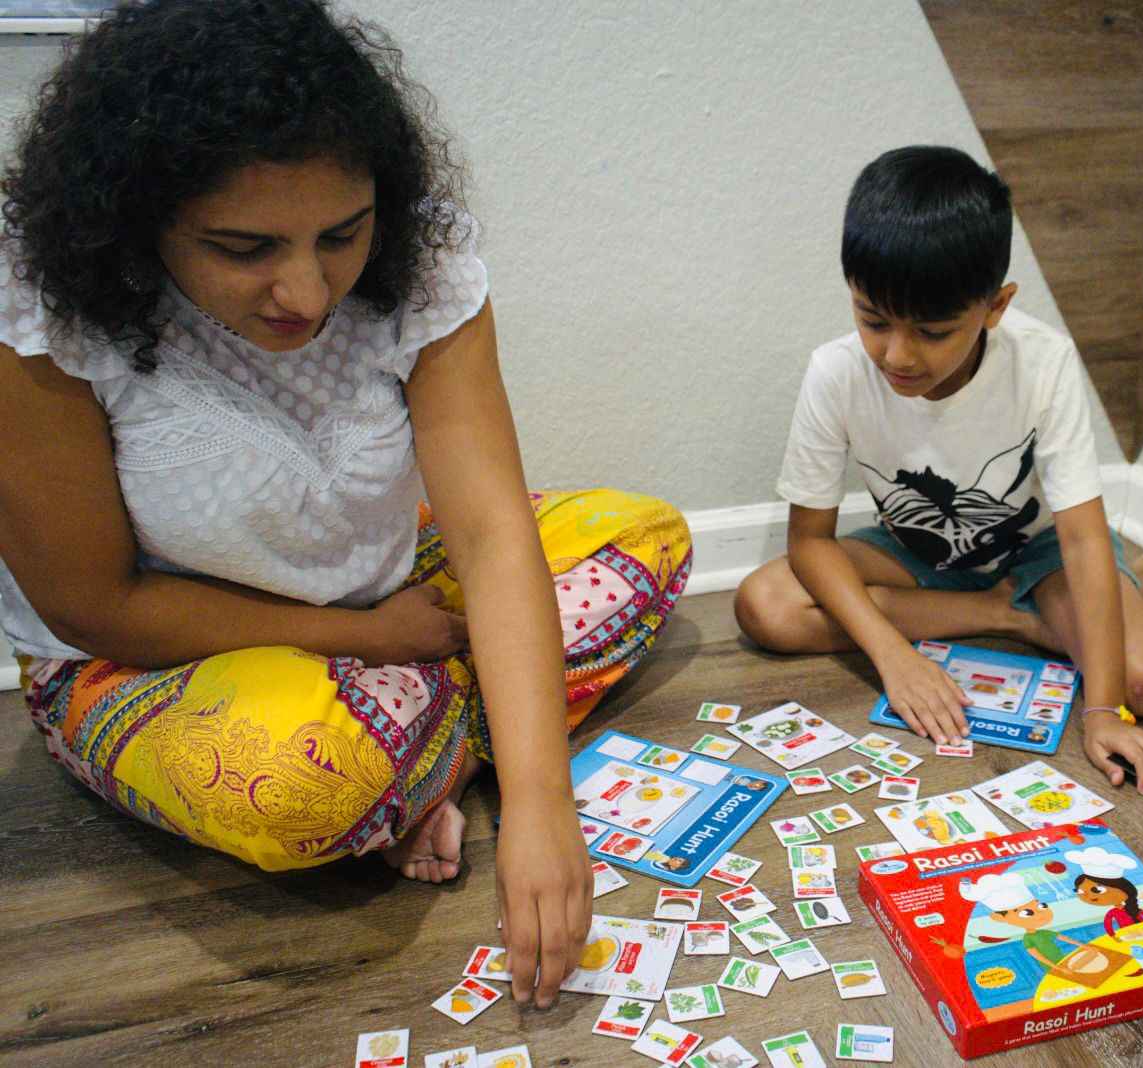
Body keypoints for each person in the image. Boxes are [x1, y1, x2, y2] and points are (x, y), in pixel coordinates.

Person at [0, 0, 691, 1007]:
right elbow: (92, 603)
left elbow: (495, 536)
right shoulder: (41, 309)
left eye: (342, 236)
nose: (308, 293)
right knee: (296, 788)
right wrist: (366, 635)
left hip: (391, 591)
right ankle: (441, 729)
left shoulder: (425, 265)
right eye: (244, 249)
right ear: (140, 219)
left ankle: (429, 755)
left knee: (646, 537)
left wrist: (547, 808)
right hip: (153, 654)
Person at [734, 145, 1143, 793]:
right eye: (873, 320)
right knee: (765, 606)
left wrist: (1103, 712)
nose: (897, 355)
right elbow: (811, 543)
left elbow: (1078, 538)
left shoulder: (1042, 361)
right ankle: (1005, 615)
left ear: (995, 306)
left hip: (1039, 549)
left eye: (933, 332)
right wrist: (893, 657)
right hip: (918, 550)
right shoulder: (837, 371)